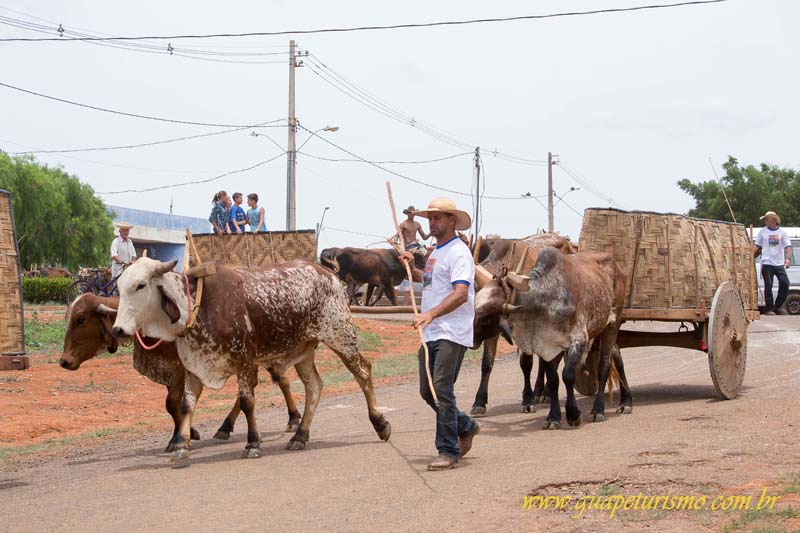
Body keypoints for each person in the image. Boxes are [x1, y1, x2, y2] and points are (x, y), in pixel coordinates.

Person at [400, 198, 480, 471]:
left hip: (452, 331)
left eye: (438, 218)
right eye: (430, 219)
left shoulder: (459, 252)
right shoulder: (436, 252)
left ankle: (448, 450)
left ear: (452, 221)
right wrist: (413, 268)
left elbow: (459, 294)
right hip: (431, 332)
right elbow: (431, 281)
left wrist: (431, 314)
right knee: (428, 391)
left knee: (441, 390)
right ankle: (466, 425)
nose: (432, 223)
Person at [754, 210, 792, 315]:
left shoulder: (782, 232)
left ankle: (778, 306)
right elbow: (757, 246)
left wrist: (787, 258)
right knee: (768, 285)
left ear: (773, 220)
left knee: (785, 283)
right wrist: (750, 256)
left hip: (779, 263)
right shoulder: (762, 232)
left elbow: (788, 246)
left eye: (767, 219)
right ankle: (768, 309)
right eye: (765, 219)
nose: (765, 221)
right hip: (767, 262)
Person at [390, 206, 431, 305]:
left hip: (416, 247)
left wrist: (431, 233)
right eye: (410, 213)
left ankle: (428, 283)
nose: (412, 215)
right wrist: (393, 239)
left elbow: (424, 237)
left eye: (413, 213)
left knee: (428, 257)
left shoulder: (417, 224)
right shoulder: (403, 224)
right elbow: (397, 236)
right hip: (407, 247)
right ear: (408, 213)